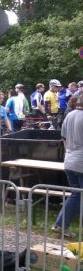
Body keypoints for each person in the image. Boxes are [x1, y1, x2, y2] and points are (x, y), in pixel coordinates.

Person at [51, 95, 83, 238]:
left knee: (77, 194)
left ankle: (61, 224)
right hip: (80, 162)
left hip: (69, 159)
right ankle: (60, 224)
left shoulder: (69, 115)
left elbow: (64, 139)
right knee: (77, 195)